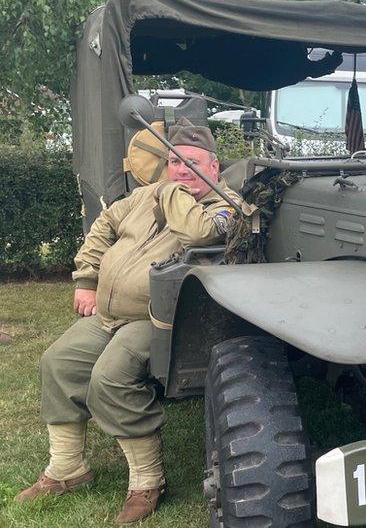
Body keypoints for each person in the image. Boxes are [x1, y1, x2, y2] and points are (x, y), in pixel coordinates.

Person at [15, 119, 244, 524]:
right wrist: (87, 279)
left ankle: (148, 482)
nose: (178, 169)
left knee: (110, 379)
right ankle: (68, 469)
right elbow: (105, 225)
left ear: (213, 167)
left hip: (159, 319)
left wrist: (173, 191)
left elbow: (198, 233)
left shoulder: (227, 206)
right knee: (59, 362)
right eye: (173, 162)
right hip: (108, 313)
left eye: (190, 162)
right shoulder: (145, 196)